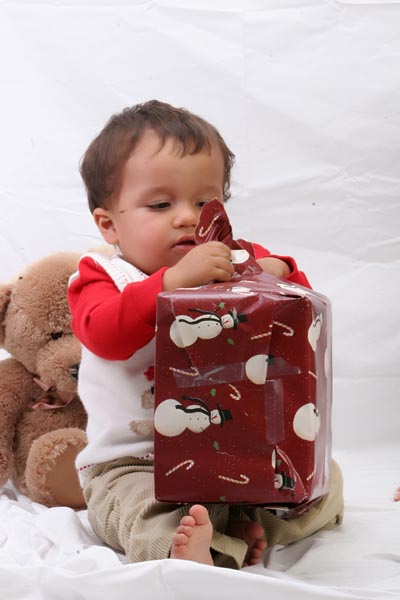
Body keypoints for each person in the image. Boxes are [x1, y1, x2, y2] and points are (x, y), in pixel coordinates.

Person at [68, 99, 343, 569]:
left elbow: (300, 310)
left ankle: (251, 529)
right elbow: (103, 334)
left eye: (203, 202)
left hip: (237, 454)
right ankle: (194, 548)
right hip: (139, 464)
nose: (187, 218)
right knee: (138, 510)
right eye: (161, 204)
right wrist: (170, 283)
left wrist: (276, 270)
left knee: (324, 480)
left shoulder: (232, 258)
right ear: (109, 224)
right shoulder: (103, 276)